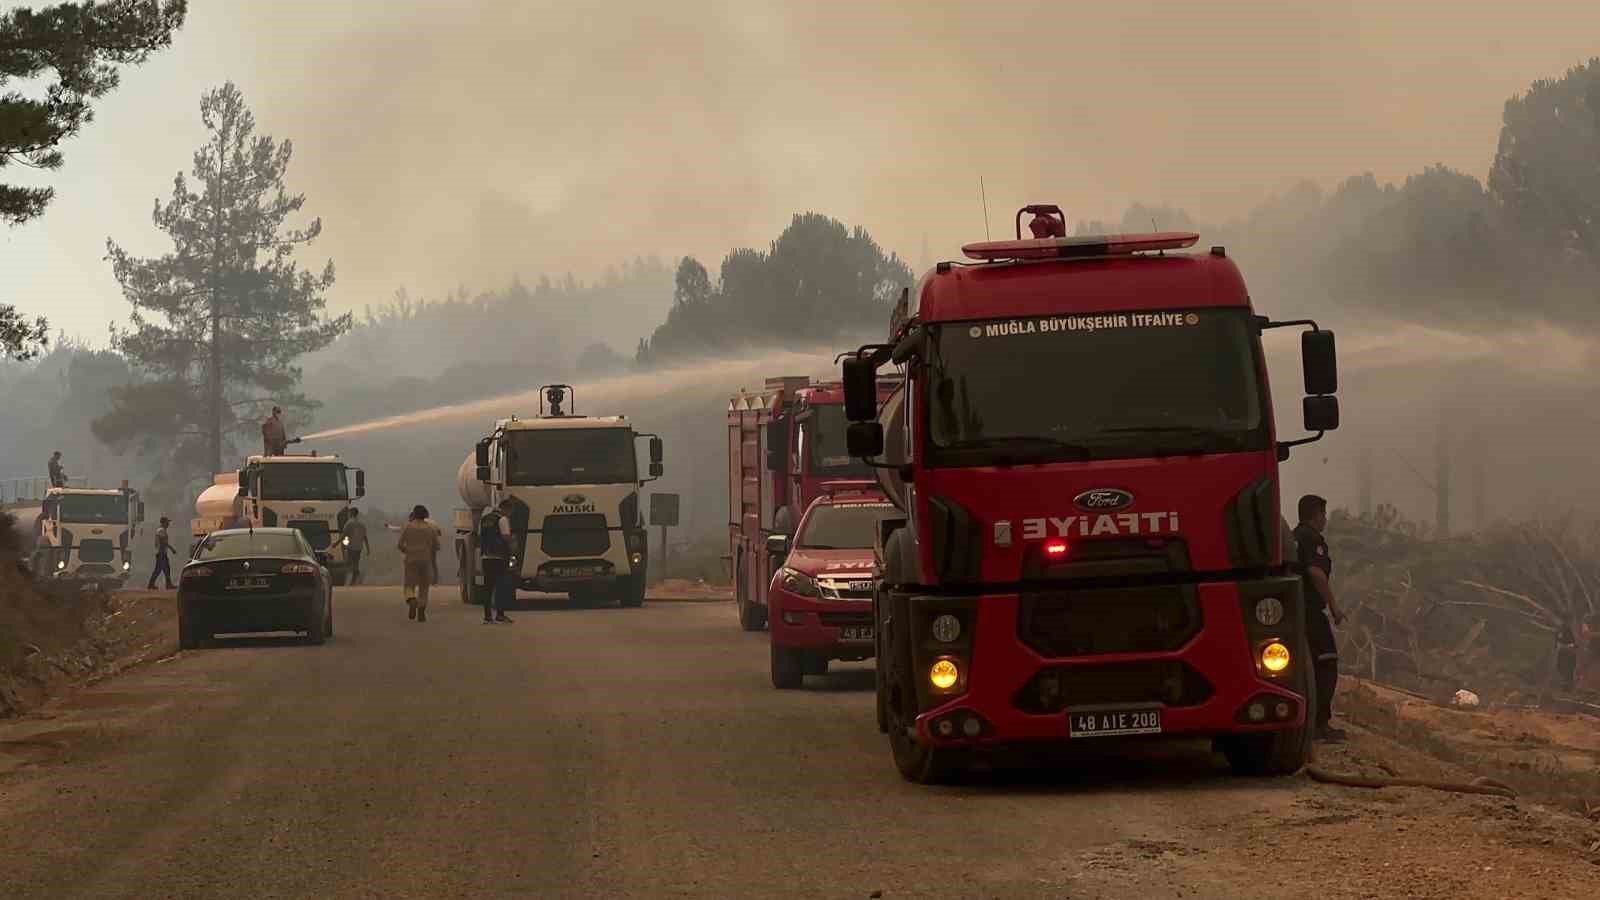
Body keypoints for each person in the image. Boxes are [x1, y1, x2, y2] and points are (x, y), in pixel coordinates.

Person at [1293, 494, 1346, 743]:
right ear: (1316, 515)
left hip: (1294, 611)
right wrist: (1334, 607)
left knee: (1308, 666)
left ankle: (1308, 721)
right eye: (1323, 515)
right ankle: (1320, 724)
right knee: (1326, 662)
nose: (1325, 520)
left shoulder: (1292, 537)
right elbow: (1316, 572)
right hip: (1311, 613)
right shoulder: (1312, 539)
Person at [397, 505, 441, 622]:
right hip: (425, 560)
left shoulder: (408, 527)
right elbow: (436, 546)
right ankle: (421, 611)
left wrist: (408, 550)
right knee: (424, 587)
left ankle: (411, 599)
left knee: (409, 585)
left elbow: (400, 545)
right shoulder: (430, 529)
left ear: (414, 514)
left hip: (411, 560)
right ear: (426, 515)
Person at [477, 498, 516, 624]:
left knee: (487, 588)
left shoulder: (484, 519)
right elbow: (505, 537)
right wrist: (513, 546)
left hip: (486, 557)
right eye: (510, 511)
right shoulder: (502, 519)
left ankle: (487, 617)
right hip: (499, 557)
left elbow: (480, 536)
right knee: (501, 587)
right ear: (506, 509)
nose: (510, 514)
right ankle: (500, 615)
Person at [341, 508, 371, 585]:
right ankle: (354, 580)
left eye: (349, 513)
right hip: (359, 548)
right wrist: (368, 549)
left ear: (351, 513)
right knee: (355, 563)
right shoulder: (362, 524)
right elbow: (365, 537)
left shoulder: (349, 523)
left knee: (350, 564)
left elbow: (344, 535)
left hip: (351, 547)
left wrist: (336, 544)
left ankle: (357, 577)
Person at [147, 516, 176, 590]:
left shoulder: (161, 530)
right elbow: (163, 542)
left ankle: (152, 584)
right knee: (165, 569)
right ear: (163, 523)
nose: (168, 524)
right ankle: (167, 585)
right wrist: (171, 548)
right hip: (161, 553)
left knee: (160, 569)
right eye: (167, 522)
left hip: (161, 553)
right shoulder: (161, 530)